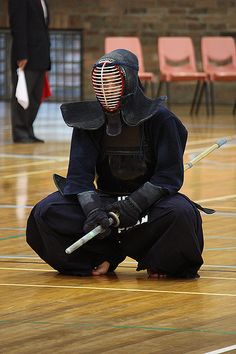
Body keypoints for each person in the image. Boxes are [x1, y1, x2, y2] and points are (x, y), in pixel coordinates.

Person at [26, 49, 206, 279]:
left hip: (150, 204)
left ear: (130, 81)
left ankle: (159, 260)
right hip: (106, 201)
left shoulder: (162, 120)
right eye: (100, 85)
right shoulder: (87, 122)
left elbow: (167, 177)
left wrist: (132, 206)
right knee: (46, 213)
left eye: (112, 84)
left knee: (181, 214)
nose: (105, 91)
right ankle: (102, 256)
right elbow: (79, 179)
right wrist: (93, 211)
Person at [8, 0, 51, 143]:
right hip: (26, 57)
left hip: (40, 56)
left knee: (34, 98)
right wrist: (21, 54)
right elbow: (18, 25)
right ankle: (20, 132)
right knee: (22, 96)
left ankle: (28, 129)